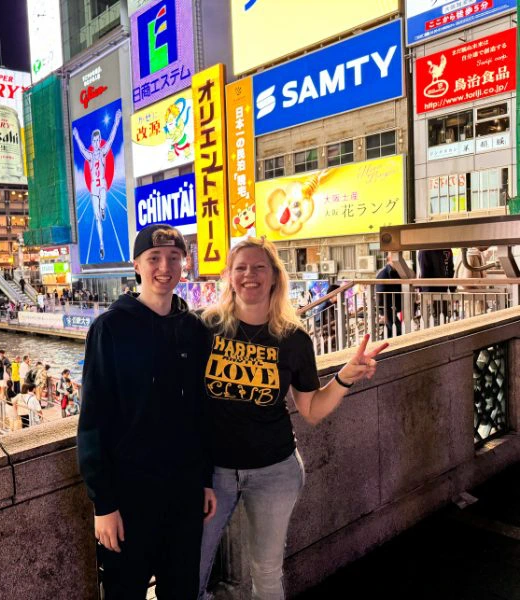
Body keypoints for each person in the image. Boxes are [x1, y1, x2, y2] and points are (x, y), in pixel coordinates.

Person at [198, 237, 387, 600]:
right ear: (228, 276)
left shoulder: (293, 339)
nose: (249, 275)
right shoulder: (205, 327)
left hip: (275, 470)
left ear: (274, 277)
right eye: (240, 268)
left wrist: (345, 377)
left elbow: (311, 409)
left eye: (258, 267)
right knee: (191, 568)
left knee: (266, 574)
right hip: (213, 472)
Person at [77, 223, 217, 600]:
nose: (164, 267)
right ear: (137, 265)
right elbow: (92, 421)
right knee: (125, 591)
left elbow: (202, 414)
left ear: (184, 265)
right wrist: (103, 504)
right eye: (153, 258)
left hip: (185, 493)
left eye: (174, 258)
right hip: (129, 496)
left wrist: (205, 480)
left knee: (182, 589)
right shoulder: (109, 328)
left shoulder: (194, 330)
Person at [73, 109, 122, 261]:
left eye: (97, 140)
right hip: (94, 187)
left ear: (99, 140)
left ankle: (102, 209)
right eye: (93, 141)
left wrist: (116, 121)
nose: (95, 143)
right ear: (92, 142)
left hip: (102, 186)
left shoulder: (103, 151)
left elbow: (112, 137)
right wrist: (76, 136)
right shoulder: (89, 155)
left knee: (102, 205)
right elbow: (81, 148)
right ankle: (101, 244)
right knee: (96, 218)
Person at [376, 252, 403, 338]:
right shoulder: (383, 274)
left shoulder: (397, 272)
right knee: (397, 332)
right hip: (388, 310)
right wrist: (384, 314)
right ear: (390, 258)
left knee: (392, 333)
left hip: (394, 309)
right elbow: (380, 296)